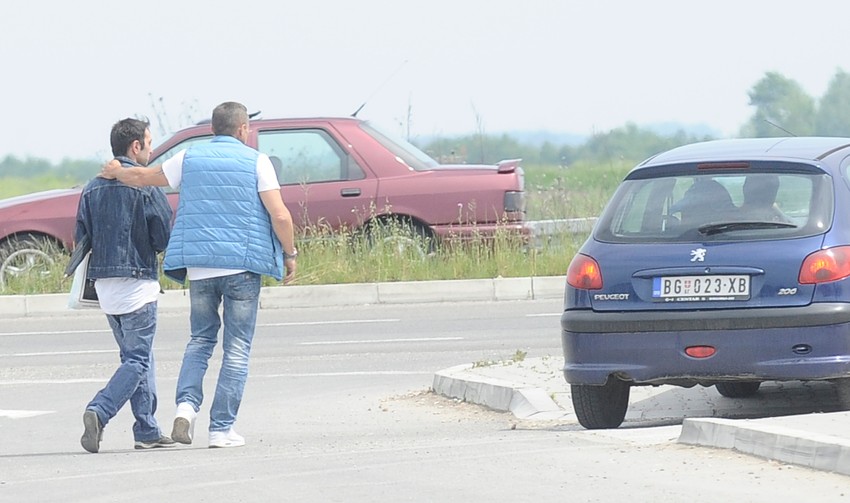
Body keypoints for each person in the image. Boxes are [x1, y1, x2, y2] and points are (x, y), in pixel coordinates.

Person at [102, 101, 297, 448]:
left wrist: (116, 170)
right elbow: (280, 216)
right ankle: (221, 428)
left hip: (200, 268)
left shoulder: (188, 157)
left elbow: (142, 177)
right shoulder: (258, 161)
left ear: (213, 128)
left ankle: (185, 410)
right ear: (242, 130)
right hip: (242, 267)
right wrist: (289, 253)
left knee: (200, 341)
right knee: (236, 348)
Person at [72, 118, 175, 453]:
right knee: (138, 361)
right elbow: (162, 235)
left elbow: (81, 235)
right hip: (137, 284)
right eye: (148, 142)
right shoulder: (143, 184)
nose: (150, 148)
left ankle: (146, 429)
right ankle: (99, 410)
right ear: (135, 146)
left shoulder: (92, 186)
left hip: (105, 288)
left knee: (136, 358)